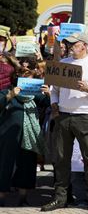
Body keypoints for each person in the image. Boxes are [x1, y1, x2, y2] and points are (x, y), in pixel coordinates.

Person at [42, 32, 88, 213]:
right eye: (68, 44)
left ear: (84, 45)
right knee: (61, 159)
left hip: (86, 117)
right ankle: (60, 198)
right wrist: (54, 103)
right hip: (64, 116)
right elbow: (54, 90)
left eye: (74, 44)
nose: (70, 47)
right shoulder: (63, 63)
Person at [0, 70, 50, 206]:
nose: (29, 84)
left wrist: (48, 93)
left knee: (27, 165)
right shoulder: (7, 91)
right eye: (26, 80)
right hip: (8, 136)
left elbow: (48, 103)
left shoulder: (33, 95)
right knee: (5, 165)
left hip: (29, 137)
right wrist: (10, 95)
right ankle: (1, 198)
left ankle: (23, 198)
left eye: (32, 80)